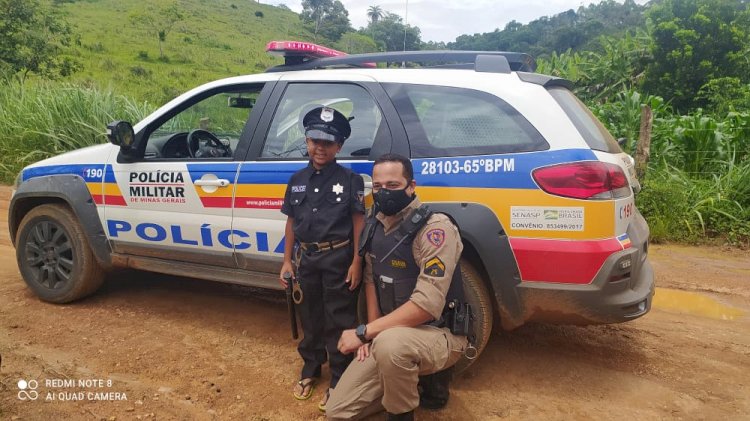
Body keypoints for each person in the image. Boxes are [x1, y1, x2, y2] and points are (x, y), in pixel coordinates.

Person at [327, 153, 470, 421]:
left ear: (411, 186)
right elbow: (371, 280)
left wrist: (364, 332)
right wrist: (371, 334)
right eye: (378, 187)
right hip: (391, 334)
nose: (384, 193)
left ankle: (401, 414)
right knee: (338, 412)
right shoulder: (374, 224)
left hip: (439, 334)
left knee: (392, 345)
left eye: (393, 185)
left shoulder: (434, 229)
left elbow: (427, 306)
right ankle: (401, 381)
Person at [279, 106, 365, 411]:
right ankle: (311, 369)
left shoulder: (350, 179)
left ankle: (339, 377)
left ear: (339, 146)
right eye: (315, 140)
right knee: (310, 317)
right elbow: (291, 221)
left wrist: (357, 262)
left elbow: (358, 223)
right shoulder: (296, 179)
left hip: (339, 258)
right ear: (307, 141)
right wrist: (287, 260)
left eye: (328, 142)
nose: (320, 147)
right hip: (306, 260)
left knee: (339, 318)